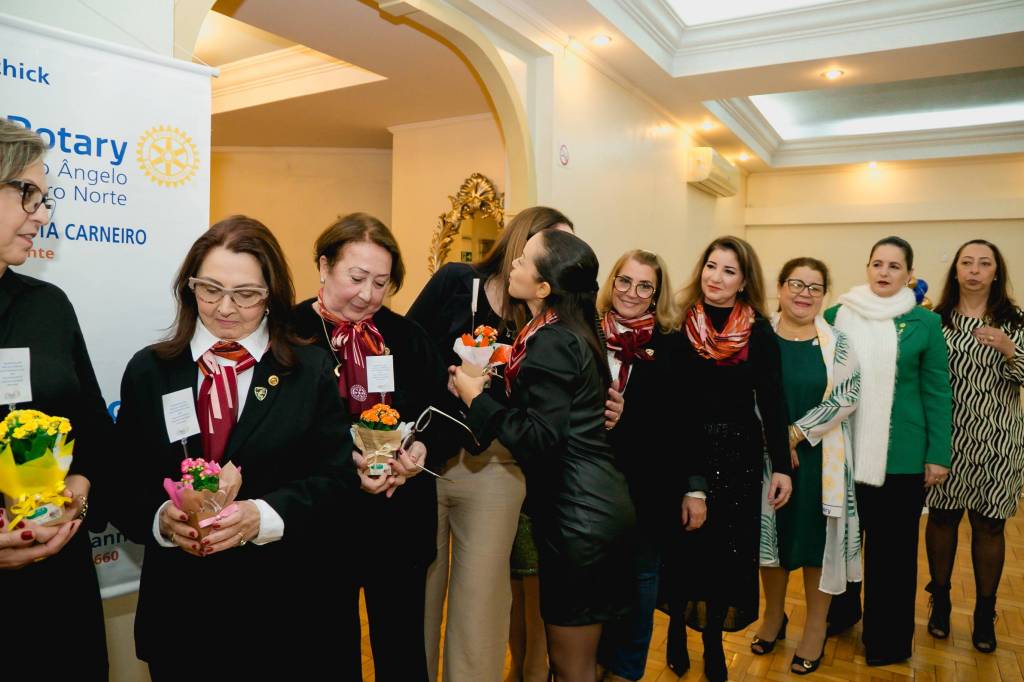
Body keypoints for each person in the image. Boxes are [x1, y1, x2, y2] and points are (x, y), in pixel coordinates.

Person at [112, 215, 358, 679]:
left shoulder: (309, 371)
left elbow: (338, 483)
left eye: (245, 294)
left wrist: (261, 516)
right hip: (183, 618)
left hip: (285, 615)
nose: (225, 308)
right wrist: (160, 519)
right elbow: (121, 482)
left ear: (271, 295)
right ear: (189, 287)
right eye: (210, 289)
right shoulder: (150, 371)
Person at [408, 207, 623, 682]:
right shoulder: (456, 282)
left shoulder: (551, 324)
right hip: (427, 461)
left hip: (499, 467)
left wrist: (604, 407)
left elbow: (559, 409)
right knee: (421, 595)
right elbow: (407, 348)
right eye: (549, 246)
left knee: (482, 605)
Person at [292, 212, 446, 681]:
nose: (367, 295)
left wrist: (422, 450)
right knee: (327, 654)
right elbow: (278, 432)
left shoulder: (407, 336)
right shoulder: (289, 334)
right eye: (356, 278)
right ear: (324, 266)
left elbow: (441, 412)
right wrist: (345, 462)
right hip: (322, 523)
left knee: (402, 653)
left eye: (381, 283)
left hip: (399, 520)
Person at [0, 118, 110, 677]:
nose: (42, 214)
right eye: (28, 193)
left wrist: (79, 494)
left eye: (45, 198)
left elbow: (95, 432)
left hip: (57, 583)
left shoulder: (48, 306)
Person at [665, 235, 792, 682]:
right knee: (684, 551)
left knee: (725, 556)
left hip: (738, 457)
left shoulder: (758, 331)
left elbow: (773, 402)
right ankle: (676, 629)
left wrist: (782, 466)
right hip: (684, 450)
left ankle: (713, 641)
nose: (716, 277)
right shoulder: (679, 325)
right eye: (711, 266)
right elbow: (673, 407)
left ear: (743, 281)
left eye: (729, 271)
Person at [825, 236, 952, 666]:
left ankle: (887, 640)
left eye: (894, 266)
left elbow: (937, 391)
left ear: (909, 275)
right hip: (843, 452)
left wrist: (938, 453)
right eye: (877, 263)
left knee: (893, 555)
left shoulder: (924, 323)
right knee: (842, 541)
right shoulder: (837, 315)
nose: (884, 272)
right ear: (867, 267)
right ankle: (840, 613)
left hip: (902, 457)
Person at [593, 249, 706, 682]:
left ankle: (626, 670)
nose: (632, 293)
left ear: (656, 295)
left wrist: (694, 488)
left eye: (645, 287)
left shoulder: (673, 345)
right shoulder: (587, 333)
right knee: (596, 580)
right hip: (590, 483)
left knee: (641, 581)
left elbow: (687, 424)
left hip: (650, 484)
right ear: (612, 282)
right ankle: (592, 662)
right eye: (624, 281)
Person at [754, 257, 861, 675]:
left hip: (820, 458)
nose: (804, 294)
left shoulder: (839, 342)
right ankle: (773, 616)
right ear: (780, 288)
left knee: (818, 544)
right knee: (772, 542)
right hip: (766, 457)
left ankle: (815, 628)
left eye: (815, 287)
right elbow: (741, 392)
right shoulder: (757, 335)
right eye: (796, 284)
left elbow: (848, 395)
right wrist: (774, 440)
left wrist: (794, 434)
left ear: (824, 295)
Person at [925, 239, 1023, 653]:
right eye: (967, 262)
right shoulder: (936, 319)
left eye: (984, 264)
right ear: (956, 270)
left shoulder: (1014, 320)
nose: (975, 270)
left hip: (998, 440)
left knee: (990, 526)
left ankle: (985, 612)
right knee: (942, 519)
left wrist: (1010, 349)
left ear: (996, 272)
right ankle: (941, 601)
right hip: (947, 439)